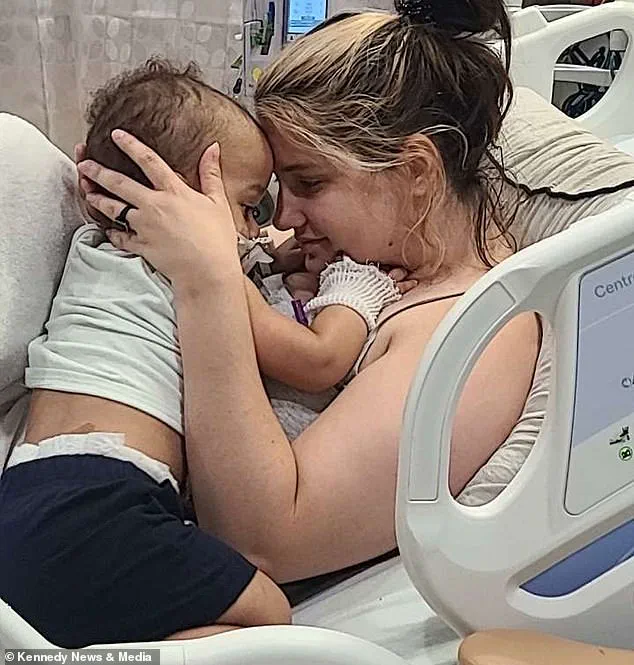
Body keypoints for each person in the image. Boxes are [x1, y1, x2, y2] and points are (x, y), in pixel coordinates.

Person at [75, 0, 543, 586]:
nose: (284, 218)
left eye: (310, 183)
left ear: (416, 172)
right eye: (277, 190)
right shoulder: (375, 252)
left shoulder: (477, 334)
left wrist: (208, 282)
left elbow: (267, 543)